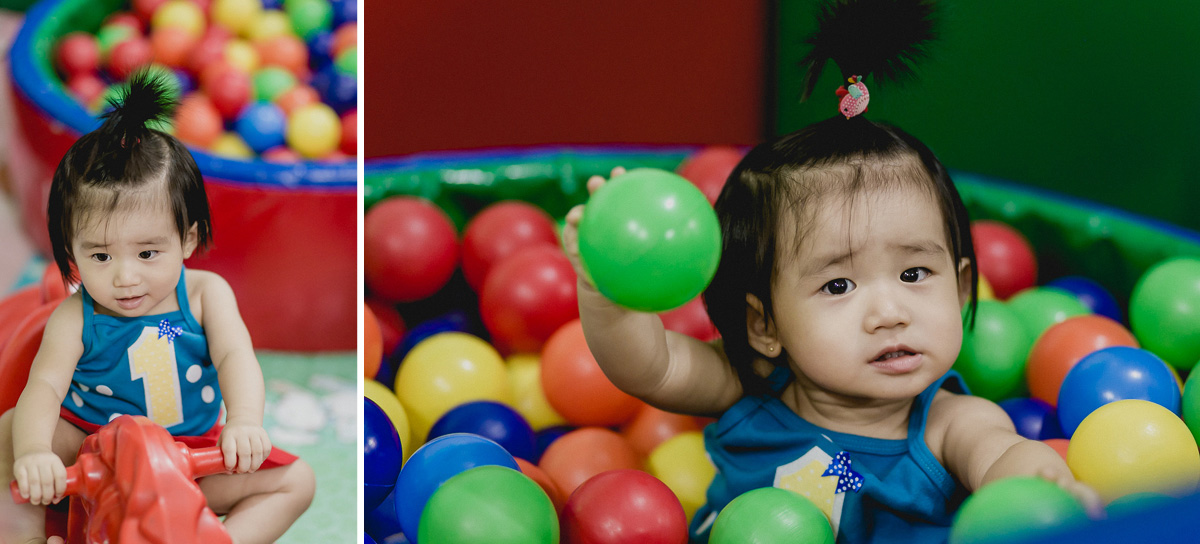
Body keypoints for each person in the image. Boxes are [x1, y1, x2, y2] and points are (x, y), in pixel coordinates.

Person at [562, 1, 1100, 542]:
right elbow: (647, 367)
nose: (890, 313)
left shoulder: (949, 424)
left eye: (914, 274)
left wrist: (1045, 487)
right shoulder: (750, 388)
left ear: (961, 289)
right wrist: (606, 287)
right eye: (838, 285)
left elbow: (1003, 456)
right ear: (764, 326)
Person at [0, 72, 315, 544]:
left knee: (296, 481)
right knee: (8, 433)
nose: (125, 277)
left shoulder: (207, 295)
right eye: (101, 256)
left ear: (187, 239)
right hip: (89, 448)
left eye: (148, 253)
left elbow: (237, 360)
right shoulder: (75, 315)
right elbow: (44, 388)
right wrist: (33, 454)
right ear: (71, 249)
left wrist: (245, 423)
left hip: (190, 457)